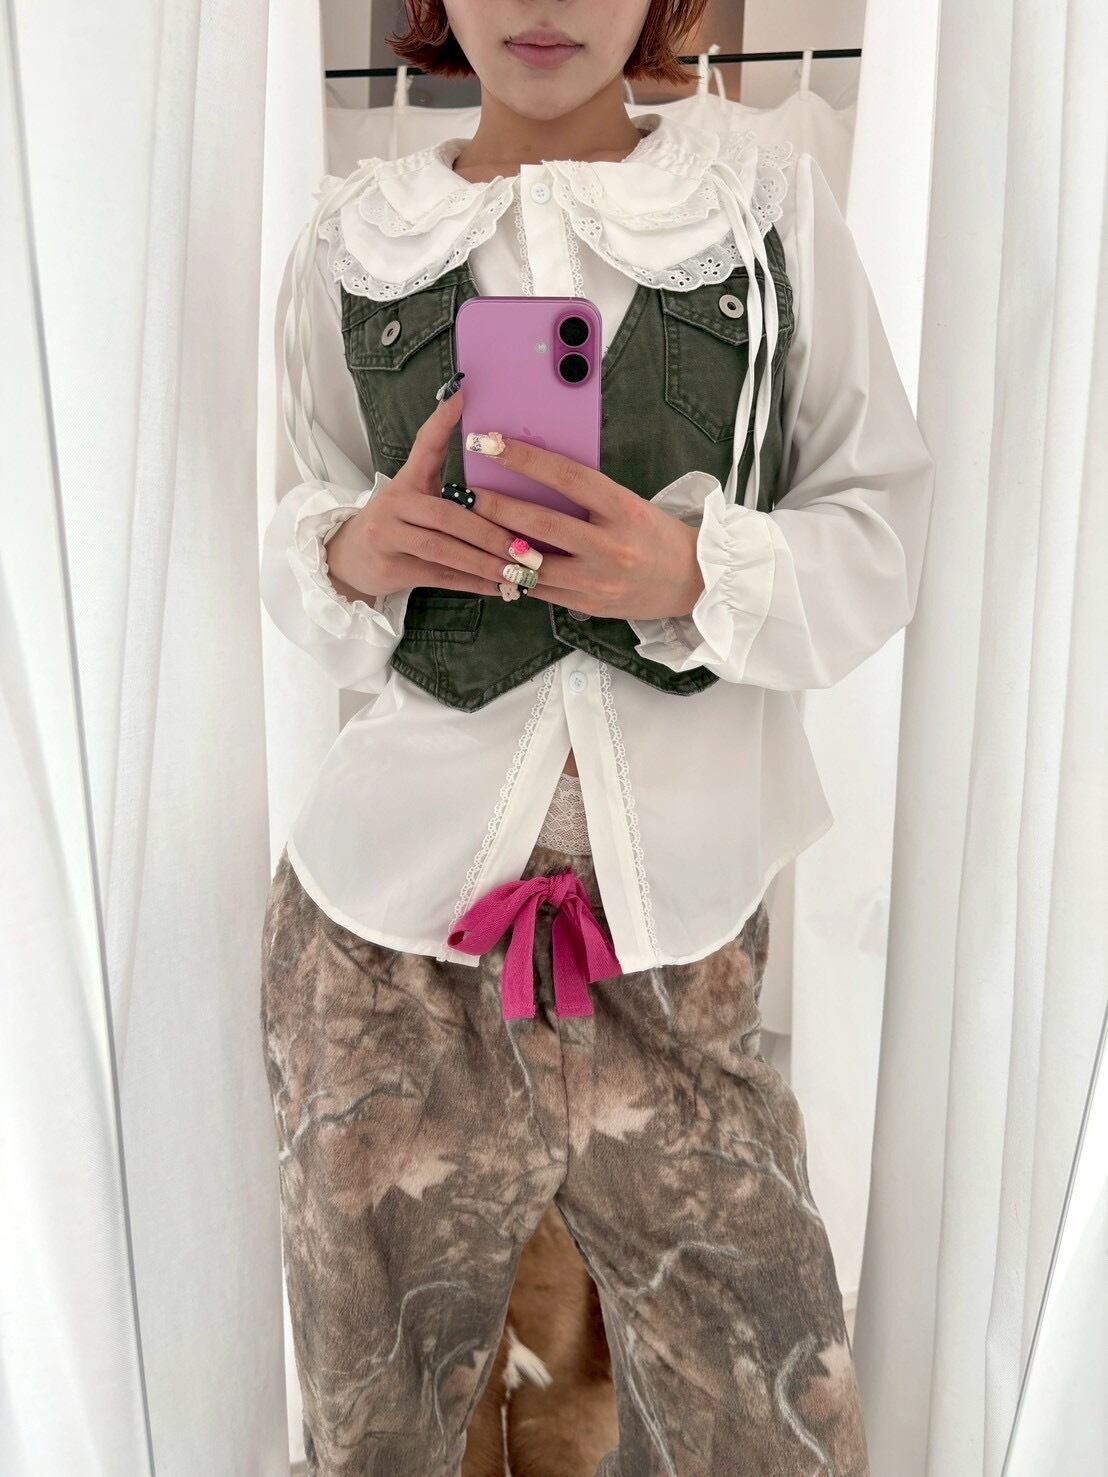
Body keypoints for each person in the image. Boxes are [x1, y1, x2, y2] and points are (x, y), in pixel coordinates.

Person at [258, 2, 934, 1473]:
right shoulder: (352, 236)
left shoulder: (760, 204)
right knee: (379, 1441)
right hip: (380, 964)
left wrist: (695, 572)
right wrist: (357, 551)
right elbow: (300, 515)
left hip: (672, 953)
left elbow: (882, 520)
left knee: (776, 1424)